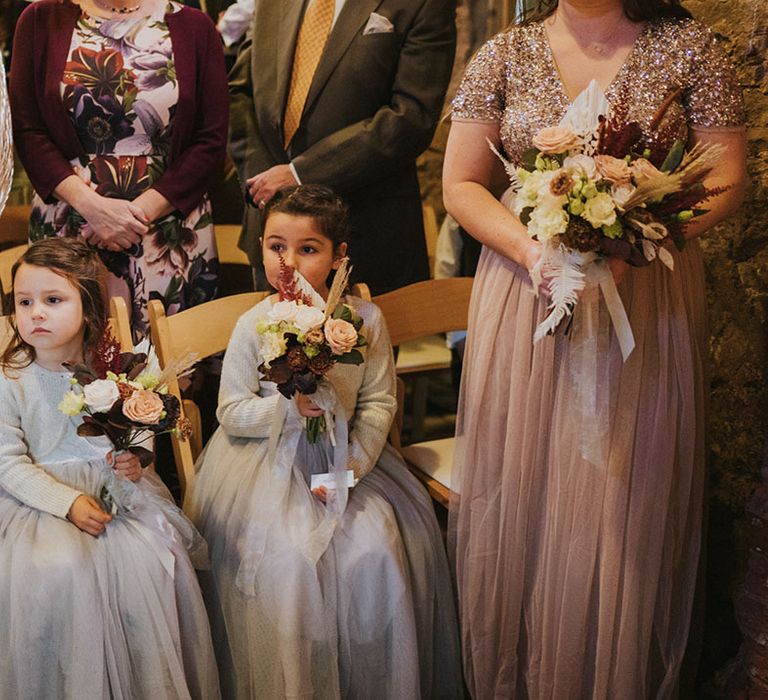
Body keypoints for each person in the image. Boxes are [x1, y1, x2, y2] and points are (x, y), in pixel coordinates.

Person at [442, 0, 748, 697]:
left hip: (646, 292)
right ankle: (521, 671)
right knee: (529, 478)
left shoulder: (692, 48)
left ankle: (612, 671)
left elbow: (728, 177)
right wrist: (535, 253)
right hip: (527, 292)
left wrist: (637, 236)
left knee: (624, 481)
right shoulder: (504, 52)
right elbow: (460, 182)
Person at [184, 184, 462, 699]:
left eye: (307, 249)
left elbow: (378, 401)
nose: (288, 261)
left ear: (338, 257)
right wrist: (287, 410)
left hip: (348, 463)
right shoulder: (254, 323)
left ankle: (369, 679)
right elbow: (230, 412)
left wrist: (350, 467)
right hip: (265, 467)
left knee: (374, 551)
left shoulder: (365, 322)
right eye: (275, 246)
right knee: (288, 564)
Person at [0, 238, 220, 698]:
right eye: (24, 302)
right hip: (37, 503)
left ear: (89, 306)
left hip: (117, 494)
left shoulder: (117, 370)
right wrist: (66, 502)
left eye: (53, 300)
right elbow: (7, 461)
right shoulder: (11, 379)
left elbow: (139, 429)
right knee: (57, 571)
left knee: (154, 561)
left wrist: (135, 461)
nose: (35, 313)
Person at [9, 0, 228, 341]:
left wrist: (134, 215)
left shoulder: (195, 27)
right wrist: (92, 207)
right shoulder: (39, 19)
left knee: (169, 369)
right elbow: (27, 129)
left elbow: (210, 139)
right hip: (70, 219)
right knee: (68, 366)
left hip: (166, 230)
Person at [228, 0, 456, 295]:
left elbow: (411, 117)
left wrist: (300, 175)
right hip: (274, 235)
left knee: (360, 340)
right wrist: (264, 180)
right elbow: (240, 93)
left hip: (363, 231)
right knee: (268, 339)